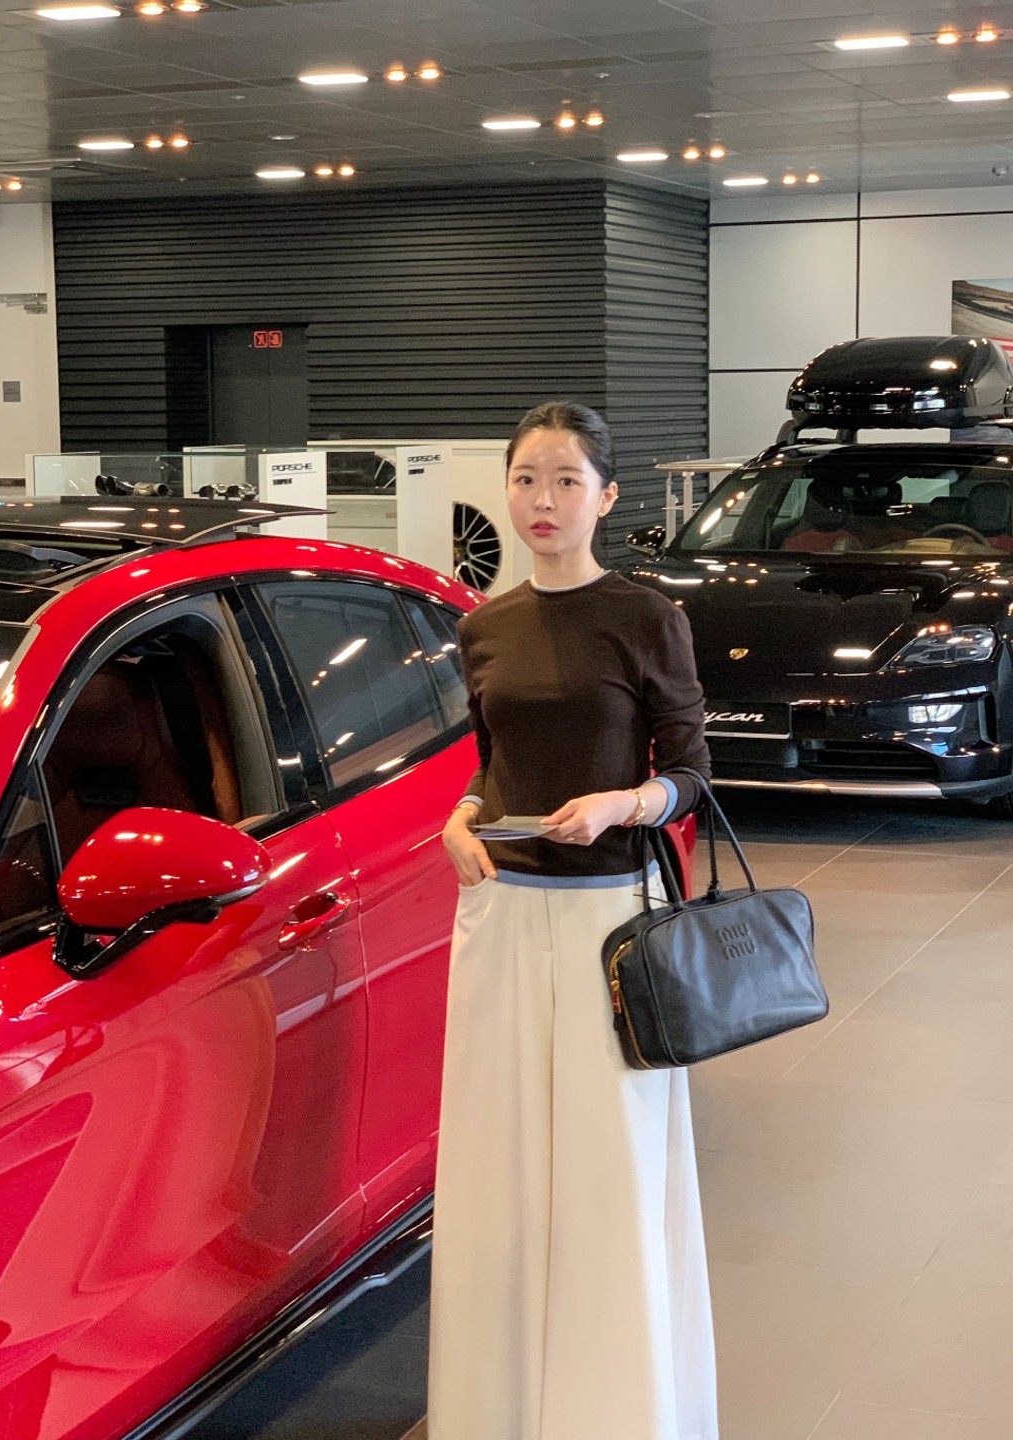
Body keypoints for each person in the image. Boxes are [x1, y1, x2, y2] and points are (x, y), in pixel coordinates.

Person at [426, 401, 719, 1440]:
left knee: (610, 1165)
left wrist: (623, 804)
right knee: (496, 1167)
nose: (542, 500)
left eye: (564, 480)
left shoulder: (646, 617)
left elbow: (692, 774)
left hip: (612, 919)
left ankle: (617, 1410)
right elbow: (492, 759)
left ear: (606, 497)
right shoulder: (482, 626)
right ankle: (498, 1409)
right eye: (525, 479)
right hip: (501, 912)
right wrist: (460, 814)